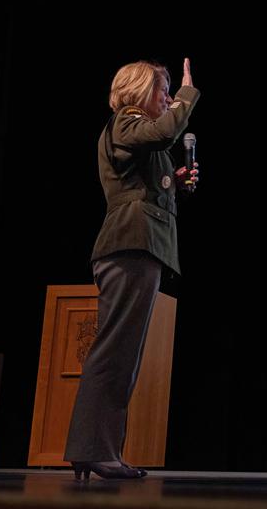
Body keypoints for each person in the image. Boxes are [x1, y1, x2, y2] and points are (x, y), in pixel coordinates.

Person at [65, 59, 200, 480]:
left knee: (123, 355)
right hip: (129, 245)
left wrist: (173, 182)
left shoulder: (135, 134)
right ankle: (92, 450)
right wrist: (186, 94)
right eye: (161, 91)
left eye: (169, 93)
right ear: (141, 91)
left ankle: (100, 450)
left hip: (137, 248)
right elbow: (163, 132)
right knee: (115, 351)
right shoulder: (127, 120)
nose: (166, 98)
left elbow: (140, 175)